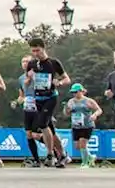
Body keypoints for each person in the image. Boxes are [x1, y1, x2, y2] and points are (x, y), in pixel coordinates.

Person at [24, 38, 70, 168]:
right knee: (51, 130)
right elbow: (26, 82)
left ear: (43, 48)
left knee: (42, 124)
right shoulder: (32, 64)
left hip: (50, 97)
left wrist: (59, 82)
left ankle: (50, 155)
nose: (35, 53)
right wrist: (29, 78)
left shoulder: (53, 63)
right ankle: (63, 155)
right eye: (33, 51)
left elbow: (67, 79)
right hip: (38, 98)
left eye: (38, 50)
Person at [65, 84, 101, 168]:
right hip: (76, 126)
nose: (74, 94)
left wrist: (95, 115)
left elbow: (99, 110)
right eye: (72, 92)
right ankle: (91, 157)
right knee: (77, 146)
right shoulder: (70, 101)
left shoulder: (88, 101)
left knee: (83, 143)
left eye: (75, 92)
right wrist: (67, 109)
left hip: (87, 125)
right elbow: (66, 113)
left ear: (81, 91)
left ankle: (85, 163)